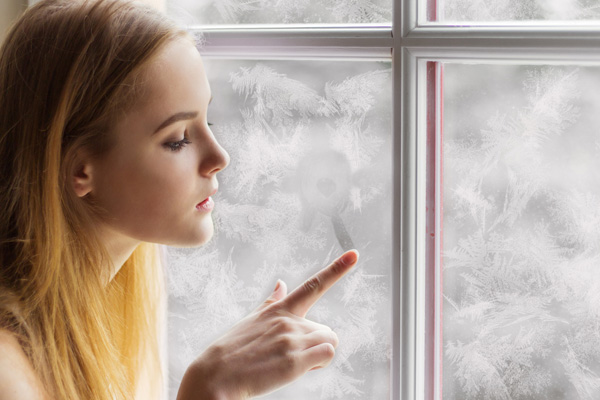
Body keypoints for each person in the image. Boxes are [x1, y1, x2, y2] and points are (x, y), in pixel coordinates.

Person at [0, 0, 359, 399]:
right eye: (178, 140)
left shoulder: (88, 331)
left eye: (208, 120)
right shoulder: (8, 374)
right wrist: (210, 389)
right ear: (80, 172)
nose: (220, 157)